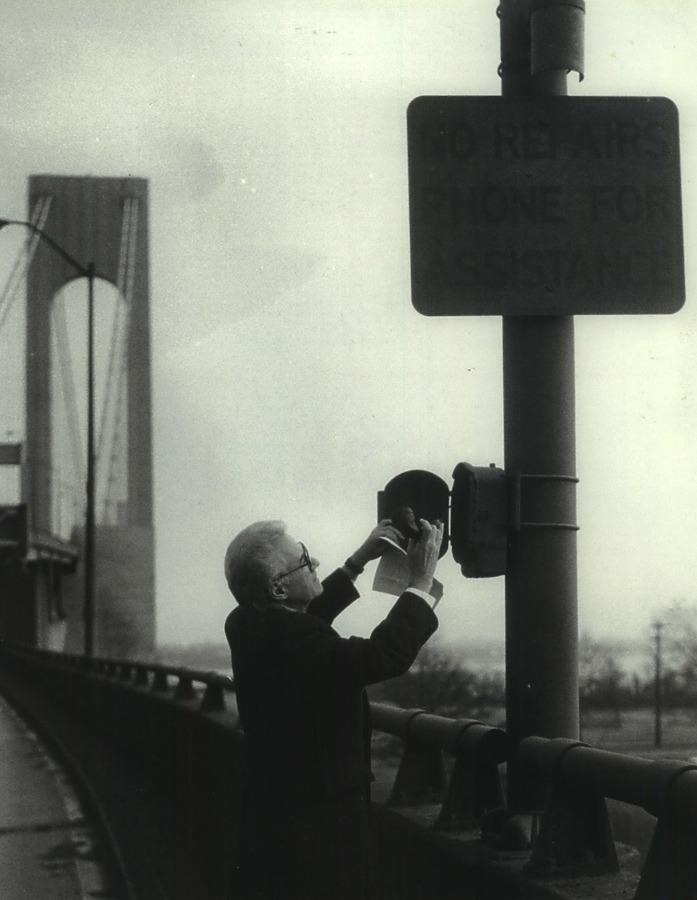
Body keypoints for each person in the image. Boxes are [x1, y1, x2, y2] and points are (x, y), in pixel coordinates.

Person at [224, 516, 443, 899]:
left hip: (275, 818)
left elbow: (307, 617)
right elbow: (381, 655)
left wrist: (359, 560)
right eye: (305, 559)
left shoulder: (248, 624)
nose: (316, 563)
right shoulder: (297, 644)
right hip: (319, 827)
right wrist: (420, 583)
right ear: (277, 587)